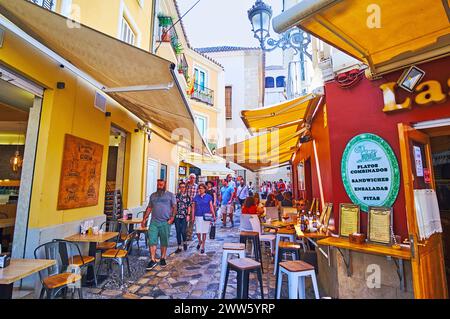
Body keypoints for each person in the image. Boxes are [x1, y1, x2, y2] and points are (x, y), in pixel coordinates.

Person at [142, 179, 176, 270]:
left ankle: (163, 258)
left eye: (161, 185)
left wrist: (172, 218)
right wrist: (144, 219)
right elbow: (149, 207)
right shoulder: (153, 196)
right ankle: (152, 259)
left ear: (165, 185)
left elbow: (174, 207)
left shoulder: (170, 195)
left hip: (165, 222)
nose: (159, 186)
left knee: (164, 241)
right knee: (152, 240)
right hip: (154, 222)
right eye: (158, 185)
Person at [192, 184, 216, 254]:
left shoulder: (209, 197)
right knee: (198, 231)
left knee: (204, 231)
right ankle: (200, 241)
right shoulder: (196, 197)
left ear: (205, 189)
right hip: (198, 215)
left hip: (206, 216)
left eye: (202, 188)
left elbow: (211, 206)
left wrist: (213, 215)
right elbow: (193, 208)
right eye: (199, 188)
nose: (200, 190)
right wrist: (192, 216)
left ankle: (203, 246)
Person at [174, 181, 191, 253]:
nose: (182, 188)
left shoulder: (187, 196)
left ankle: (184, 242)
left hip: (184, 215)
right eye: (181, 187)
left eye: (183, 187)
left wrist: (188, 215)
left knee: (183, 231)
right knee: (178, 231)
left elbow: (189, 206)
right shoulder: (176, 196)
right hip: (177, 216)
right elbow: (173, 206)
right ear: (179, 188)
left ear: (185, 188)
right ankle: (179, 247)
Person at [185, 173, 198, 241]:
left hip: (193, 204)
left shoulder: (196, 186)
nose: (192, 179)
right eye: (191, 177)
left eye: (194, 178)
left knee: (192, 220)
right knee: (185, 220)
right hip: (186, 204)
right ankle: (185, 233)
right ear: (189, 178)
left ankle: (189, 235)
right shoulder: (186, 185)